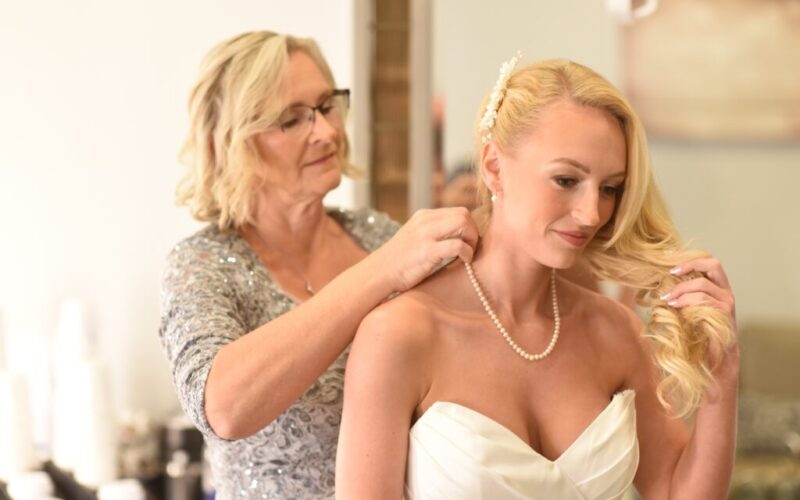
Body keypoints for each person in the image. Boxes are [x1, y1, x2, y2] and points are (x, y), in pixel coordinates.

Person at [336, 56, 738, 499]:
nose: (591, 214)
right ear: (493, 167)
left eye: (610, 188)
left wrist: (722, 376)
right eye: (566, 180)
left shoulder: (614, 332)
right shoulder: (400, 334)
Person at [158, 31, 478, 499]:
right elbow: (224, 407)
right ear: (231, 141)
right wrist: (380, 272)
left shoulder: (376, 235)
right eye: (293, 120)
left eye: (328, 106)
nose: (328, 132)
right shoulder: (202, 265)